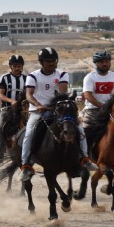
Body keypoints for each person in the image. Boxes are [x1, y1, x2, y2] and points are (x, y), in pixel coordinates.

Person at [19, 47, 98, 181]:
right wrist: (38, 105)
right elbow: (28, 95)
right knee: (29, 133)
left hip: (58, 111)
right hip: (38, 111)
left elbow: (62, 93)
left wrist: (54, 107)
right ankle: (26, 165)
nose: (52, 64)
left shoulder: (62, 74)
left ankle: (84, 158)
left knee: (79, 129)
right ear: (41, 62)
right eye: (49, 61)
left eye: (54, 61)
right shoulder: (32, 76)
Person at [0, 54, 27, 162]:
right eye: (15, 66)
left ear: (22, 66)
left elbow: (29, 93)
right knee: (0, 129)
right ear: (11, 66)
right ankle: (0, 154)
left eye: (19, 66)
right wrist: (11, 101)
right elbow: (0, 94)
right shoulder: (4, 77)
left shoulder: (26, 78)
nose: (17, 68)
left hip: (22, 110)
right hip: (7, 109)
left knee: (32, 128)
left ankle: (29, 154)